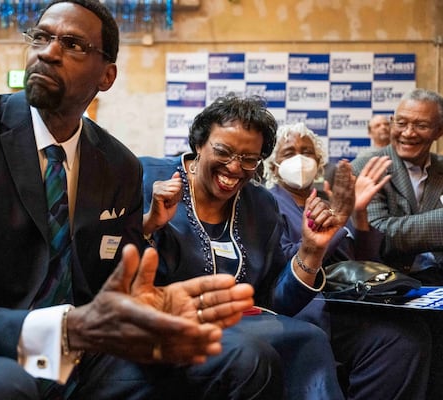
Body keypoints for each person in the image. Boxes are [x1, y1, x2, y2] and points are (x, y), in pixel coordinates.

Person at [0, 2, 270, 399]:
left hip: (82, 350)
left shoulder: (119, 165)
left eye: (73, 44)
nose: (47, 51)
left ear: (107, 75)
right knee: (4, 387)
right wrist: (65, 329)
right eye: (41, 37)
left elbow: (116, 285)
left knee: (244, 355)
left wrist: (148, 309)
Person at [140, 95, 358, 399]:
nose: (234, 167)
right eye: (224, 152)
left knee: (310, 337)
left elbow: (276, 302)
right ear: (199, 144)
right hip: (165, 320)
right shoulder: (147, 177)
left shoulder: (261, 205)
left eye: (248, 159)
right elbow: (107, 264)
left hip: (242, 322)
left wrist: (311, 248)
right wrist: (148, 223)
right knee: (251, 353)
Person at [264, 122, 432, 399]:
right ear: (273, 166)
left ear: (318, 162)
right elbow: (286, 263)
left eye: (306, 151)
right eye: (289, 152)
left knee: (420, 331)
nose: (299, 159)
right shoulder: (268, 204)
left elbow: (365, 262)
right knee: (402, 342)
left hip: (349, 303)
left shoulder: (331, 200)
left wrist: (360, 213)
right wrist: (339, 222)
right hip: (305, 311)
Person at [352, 89, 443, 284]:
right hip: (389, 284)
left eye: (421, 125)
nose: (409, 132)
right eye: (401, 123)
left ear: (439, 131)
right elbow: (378, 235)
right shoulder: (367, 167)